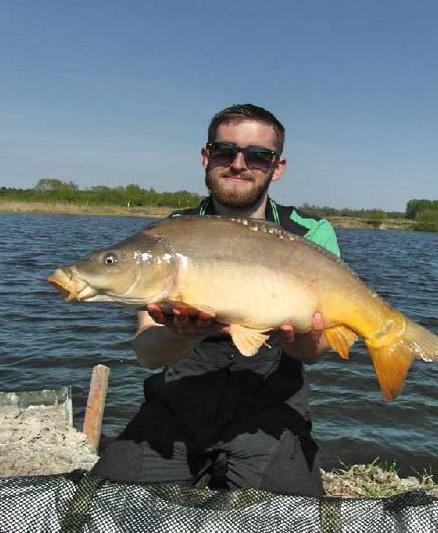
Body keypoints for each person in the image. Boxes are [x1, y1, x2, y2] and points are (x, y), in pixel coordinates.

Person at [91, 104, 341, 496]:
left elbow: (316, 352)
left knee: (291, 513)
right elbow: (149, 354)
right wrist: (182, 335)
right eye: (226, 151)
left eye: (258, 155)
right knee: (110, 504)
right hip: (178, 400)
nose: (239, 164)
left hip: (271, 407)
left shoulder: (310, 233)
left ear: (277, 167)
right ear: (206, 157)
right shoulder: (170, 234)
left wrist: (300, 336)